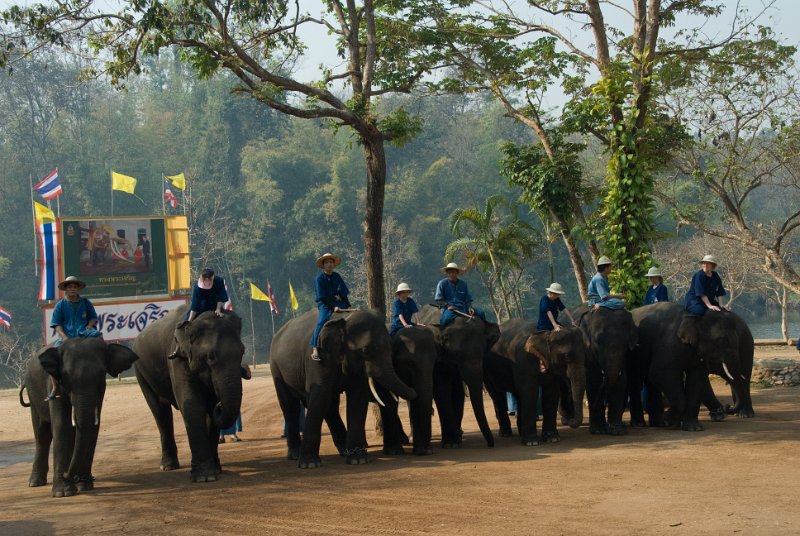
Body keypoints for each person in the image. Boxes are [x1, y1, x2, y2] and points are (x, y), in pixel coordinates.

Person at [46, 276, 103, 400]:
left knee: (99, 336)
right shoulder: (60, 305)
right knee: (52, 357)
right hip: (66, 335)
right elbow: (56, 324)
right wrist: (64, 336)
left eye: (75, 287)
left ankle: (103, 369)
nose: (73, 289)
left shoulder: (86, 303)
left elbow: (93, 317)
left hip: (84, 332)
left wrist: (89, 326)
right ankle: (55, 386)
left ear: (78, 289)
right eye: (70, 287)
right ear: (66, 289)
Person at [167, 267, 228, 359]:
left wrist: (218, 309)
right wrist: (189, 321)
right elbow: (195, 306)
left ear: (213, 277)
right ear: (201, 278)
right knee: (182, 328)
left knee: (230, 322)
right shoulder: (197, 287)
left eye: (209, 280)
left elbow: (221, 297)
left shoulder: (219, 281)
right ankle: (178, 347)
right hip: (200, 308)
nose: (207, 282)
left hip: (215, 307)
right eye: (205, 280)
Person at [310, 253, 351, 361]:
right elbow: (322, 297)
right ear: (323, 265)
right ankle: (315, 347)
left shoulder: (337, 276)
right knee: (322, 321)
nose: (329, 264)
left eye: (331, 262)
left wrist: (348, 305)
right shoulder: (319, 279)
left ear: (334, 264)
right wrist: (333, 308)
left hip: (337, 302)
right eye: (327, 262)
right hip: (325, 304)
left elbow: (343, 293)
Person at [219, 364, 252, 443]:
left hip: (234, 393)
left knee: (233, 413)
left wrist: (247, 367)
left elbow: (248, 376)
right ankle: (221, 436)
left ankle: (232, 434)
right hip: (221, 393)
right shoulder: (220, 365)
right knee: (220, 412)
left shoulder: (236, 366)